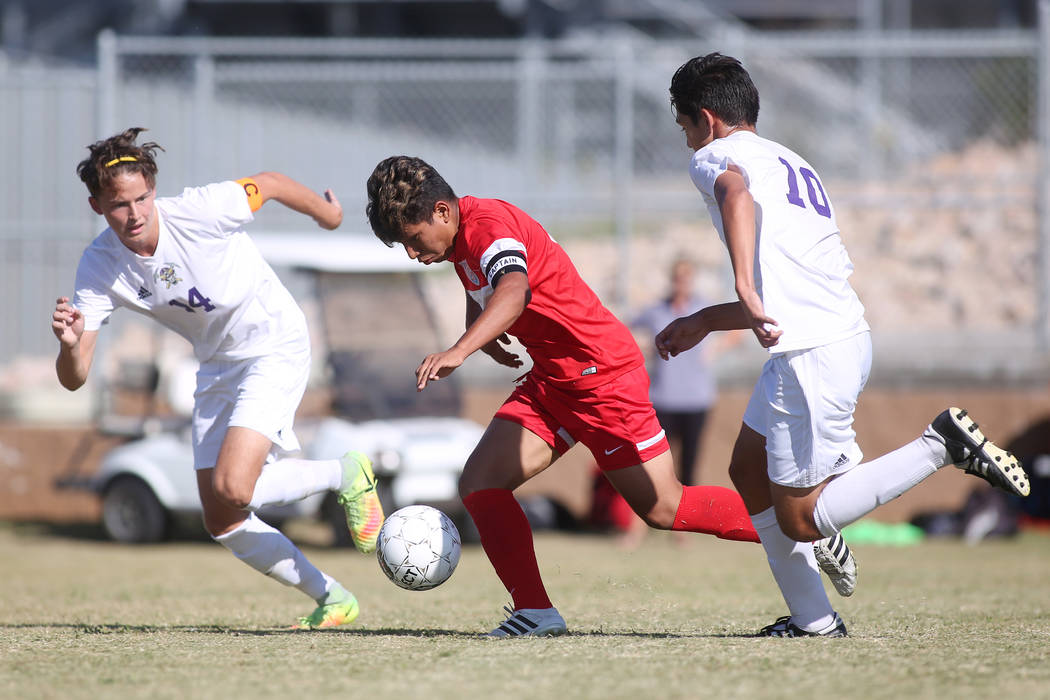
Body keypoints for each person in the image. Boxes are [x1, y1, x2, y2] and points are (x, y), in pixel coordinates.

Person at [365, 155, 830, 639]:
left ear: (442, 211)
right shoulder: (461, 237)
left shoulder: (487, 227)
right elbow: (478, 279)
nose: (414, 254)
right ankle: (536, 613)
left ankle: (808, 528)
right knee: (481, 482)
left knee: (664, 508)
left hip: (602, 377)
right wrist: (476, 328)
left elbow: (514, 288)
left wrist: (462, 349)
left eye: (414, 240)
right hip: (555, 380)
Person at [656, 53, 1031, 637]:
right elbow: (790, 291)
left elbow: (734, 195)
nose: (685, 141)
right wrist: (710, 318)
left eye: (682, 126)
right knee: (747, 470)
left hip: (812, 354)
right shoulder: (790, 160)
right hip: (836, 338)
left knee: (802, 518)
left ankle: (942, 445)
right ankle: (813, 621)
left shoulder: (716, 158)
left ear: (706, 119)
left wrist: (742, 289)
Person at [52, 128, 384, 629]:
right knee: (223, 519)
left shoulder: (200, 209)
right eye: (120, 204)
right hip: (218, 364)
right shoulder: (99, 265)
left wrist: (327, 214)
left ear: (154, 191)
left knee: (235, 486)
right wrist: (71, 344)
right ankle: (334, 598)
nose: (136, 213)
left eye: (143, 198)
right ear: (97, 205)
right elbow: (75, 379)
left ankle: (347, 474)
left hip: (273, 342)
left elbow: (269, 183)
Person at [614, 257, 737, 548]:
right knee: (651, 465)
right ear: (672, 280)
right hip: (663, 399)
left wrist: (716, 350)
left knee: (689, 466)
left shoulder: (702, 310)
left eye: (687, 277)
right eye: (678, 277)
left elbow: (737, 329)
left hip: (696, 399)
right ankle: (636, 530)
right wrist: (643, 348)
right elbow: (623, 327)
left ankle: (684, 531)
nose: (682, 283)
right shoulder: (657, 310)